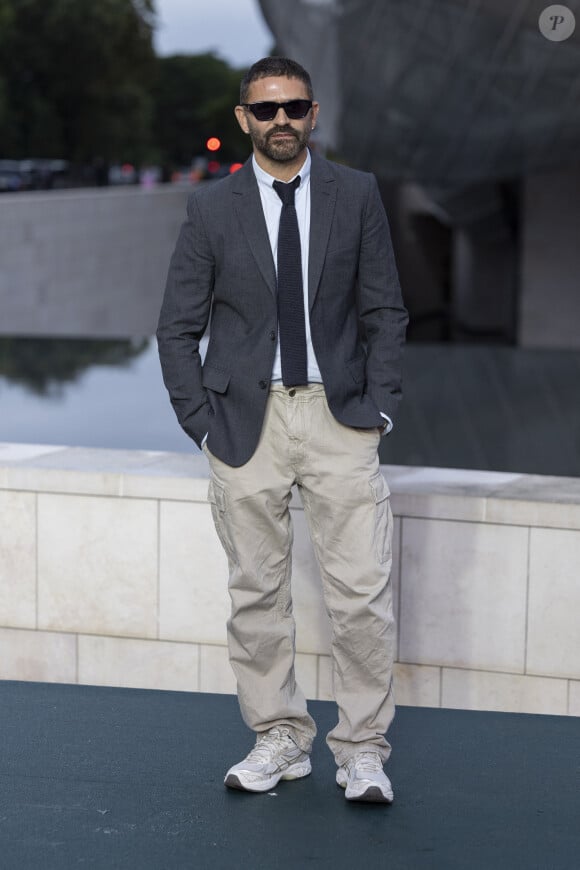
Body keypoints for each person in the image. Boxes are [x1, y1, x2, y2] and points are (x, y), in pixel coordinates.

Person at [157, 56, 408, 804]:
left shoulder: (355, 193)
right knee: (256, 595)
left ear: (313, 112)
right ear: (244, 119)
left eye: (293, 107)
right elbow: (176, 328)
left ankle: (362, 748)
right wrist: (200, 423)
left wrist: (380, 409)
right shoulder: (211, 209)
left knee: (361, 595)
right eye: (265, 110)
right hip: (244, 422)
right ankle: (279, 737)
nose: (281, 121)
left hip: (340, 417)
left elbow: (384, 312)